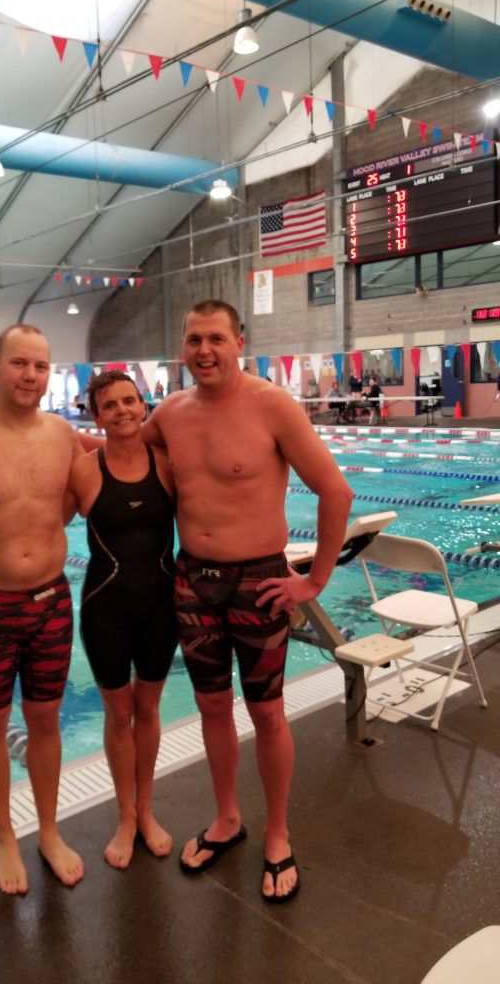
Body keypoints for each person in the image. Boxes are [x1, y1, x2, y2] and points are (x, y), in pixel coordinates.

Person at [142, 300, 353, 902]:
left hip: (259, 583)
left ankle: (279, 833)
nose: (203, 350)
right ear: (181, 348)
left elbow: (335, 492)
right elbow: (118, 451)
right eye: (192, 340)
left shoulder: (271, 406)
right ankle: (228, 819)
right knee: (212, 710)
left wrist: (313, 582)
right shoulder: (170, 414)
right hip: (193, 584)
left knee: (267, 713)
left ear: (239, 341)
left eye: (214, 338)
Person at [0, 324, 85, 894]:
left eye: (41, 365)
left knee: (47, 720)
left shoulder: (62, 435)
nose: (31, 375)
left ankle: (49, 830)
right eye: (20, 363)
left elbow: (73, 506)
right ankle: (3, 835)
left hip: (51, 599)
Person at [67, 370, 176, 870]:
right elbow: (41, 525)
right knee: (118, 714)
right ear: (96, 416)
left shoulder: (169, 465)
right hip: (104, 608)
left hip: (161, 606)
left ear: (143, 403)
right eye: (109, 405)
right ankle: (125, 817)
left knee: (149, 709)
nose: (123, 411)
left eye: (129, 401)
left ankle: (147, 810)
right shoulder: (84, 471)